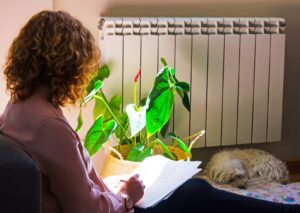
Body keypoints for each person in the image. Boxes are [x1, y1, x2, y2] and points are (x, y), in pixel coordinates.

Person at [0, 10, 299, 213]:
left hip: (109, 201)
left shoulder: (18, 107)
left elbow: (72, 183)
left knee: (197, 194)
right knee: (198, 195)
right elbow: (87, 210)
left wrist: (113, 191)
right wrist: (128, 196)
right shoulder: (49, 127)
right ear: (70, 65)